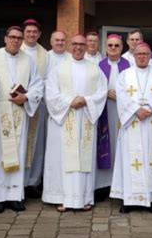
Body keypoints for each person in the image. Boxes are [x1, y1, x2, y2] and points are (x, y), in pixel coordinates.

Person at [42, 34, 107, 212]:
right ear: (71, 46)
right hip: (64, 119)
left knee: (83, 159)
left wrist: (85, 100)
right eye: (75, 44)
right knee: (62, 159)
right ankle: (63, 197)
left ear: (86, 46)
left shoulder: (95, 69)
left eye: (82, 44)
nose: (78, 47)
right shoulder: (59, 68)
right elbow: (51, 93)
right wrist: (70, 101)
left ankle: (84, 197)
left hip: (85, 116)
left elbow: (102, 92)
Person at [0, 26, 44, 213]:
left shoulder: (29, 59)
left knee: (18, 151)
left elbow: (37, 84)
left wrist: (25, 98)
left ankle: (15, 196)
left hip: (19, 111)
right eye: (12, 37)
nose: (16, 40)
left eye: (19, 38)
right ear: (5, 38)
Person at [110, 42, 152, 214]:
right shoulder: (125, 74)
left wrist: (150, 110)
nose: (142, 57)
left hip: (151, 124)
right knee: (130, 160)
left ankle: (151, 198)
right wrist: (136, 110)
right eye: (139, 54)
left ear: (150, 55)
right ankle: (129, 200)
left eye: (145, 54)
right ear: (134, 55)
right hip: (132, 124)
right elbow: (120, 96)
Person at [95, 34, 130, 201]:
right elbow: (93, 88)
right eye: (110, 45)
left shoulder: (128, 65)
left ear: (122, 47)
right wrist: (105, 93)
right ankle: (104, 184)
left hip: (124, 112)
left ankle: (123, 184)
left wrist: (121, 96)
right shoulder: (99, 66)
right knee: (106, 144)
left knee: (120, 144)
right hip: (105, 110)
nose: (113, 48)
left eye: (117, 45)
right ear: (106, 47)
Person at [20, 19, 49, 198]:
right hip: (17, 105)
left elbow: (47, 79)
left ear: (39, 35)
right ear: (24, 33)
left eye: (34, 32)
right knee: (20, 144)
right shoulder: (17, 50)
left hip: (38, 105)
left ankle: (32, 182)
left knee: (37, 144)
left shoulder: (45, 54)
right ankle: (18, 182)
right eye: (28, 31)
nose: (31, 34)